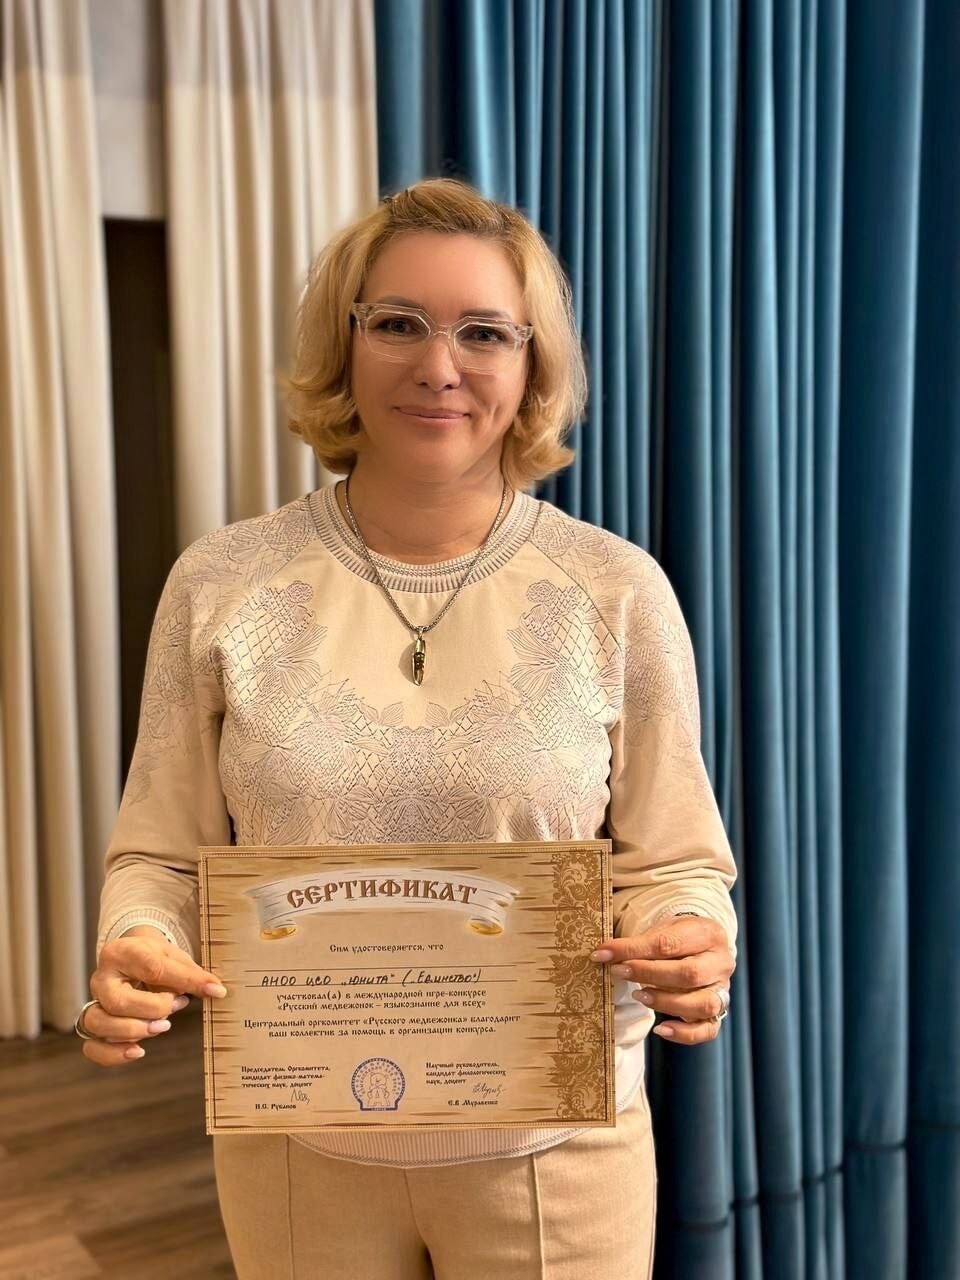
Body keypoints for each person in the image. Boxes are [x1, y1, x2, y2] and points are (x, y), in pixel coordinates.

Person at [78, 178, 737, 1279]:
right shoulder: (220, 583)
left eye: (484, 331)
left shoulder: (617, 590)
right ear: (344, 346)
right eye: (397, 323)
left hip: (559, 1154)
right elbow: (159, 854)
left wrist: (687, 932)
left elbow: (675, 860)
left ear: (532, 365)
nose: (440, 365)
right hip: (295, 1148)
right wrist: (139, 939)